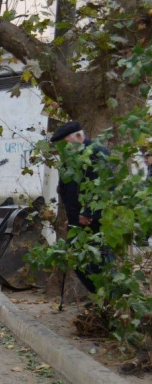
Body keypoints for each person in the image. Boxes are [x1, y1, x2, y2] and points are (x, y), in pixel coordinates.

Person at [50, 120, 112, 294]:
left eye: (66, 144)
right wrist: (70, 219)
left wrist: (88, 212)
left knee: (100, 262)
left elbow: (104, 185)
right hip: (78, 223)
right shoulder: (71, 159)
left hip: (95, 221)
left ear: (78, 136)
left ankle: (110, 300)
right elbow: (69, 191)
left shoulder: (96, 153)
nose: (64, 150)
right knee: (78, 259)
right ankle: (101, 297)